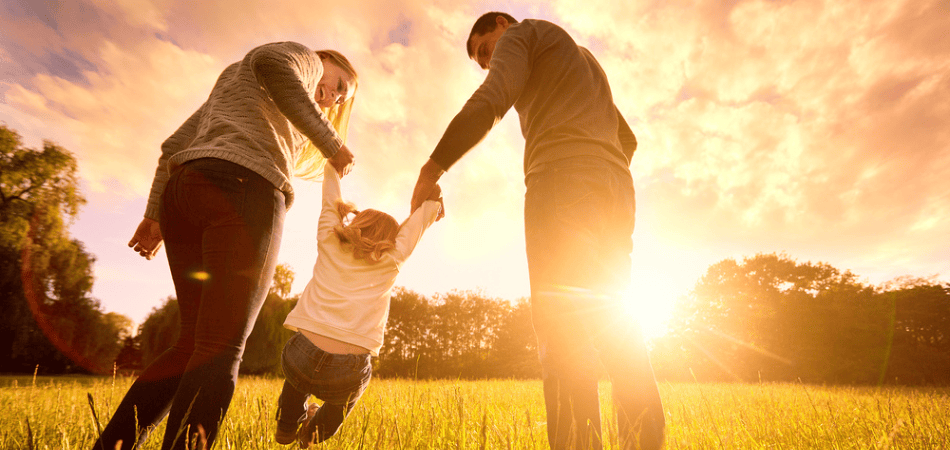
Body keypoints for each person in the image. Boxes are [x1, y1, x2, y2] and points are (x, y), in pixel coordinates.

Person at [410, 12, 665, 450]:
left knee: (561, 328)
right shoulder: (582, 59)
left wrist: (432, 168)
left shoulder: (523, 35)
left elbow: (493, 98)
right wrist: (599, 170)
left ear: (503, 25)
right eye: (480, 60)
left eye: (486, 50)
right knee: (615, 325)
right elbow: (629, 139)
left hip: (561, 182)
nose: (488, 62)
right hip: (615, 189)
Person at [96, 41, 359, 450]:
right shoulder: (302, 59)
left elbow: (172, 145)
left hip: (185, 192)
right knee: (220, 347)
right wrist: (332, 143)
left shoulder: (234, 83)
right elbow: (274, 63)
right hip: (244, 189)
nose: (337, 96)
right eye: (340, 82)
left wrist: (154, 215)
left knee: (192, 345)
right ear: (325, 61)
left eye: (343, 97)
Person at [274, 166, 444, 448]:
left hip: (302, 353)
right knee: (343, 401)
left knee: (297, 379)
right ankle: (314, 432)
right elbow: (421, 219)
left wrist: (333, 168)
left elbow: (330, 200)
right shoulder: (393, 258)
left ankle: (287, 425)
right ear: (392, 239)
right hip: (348, 367)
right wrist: (431, 202)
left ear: (356, 224)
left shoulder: (329, 239)